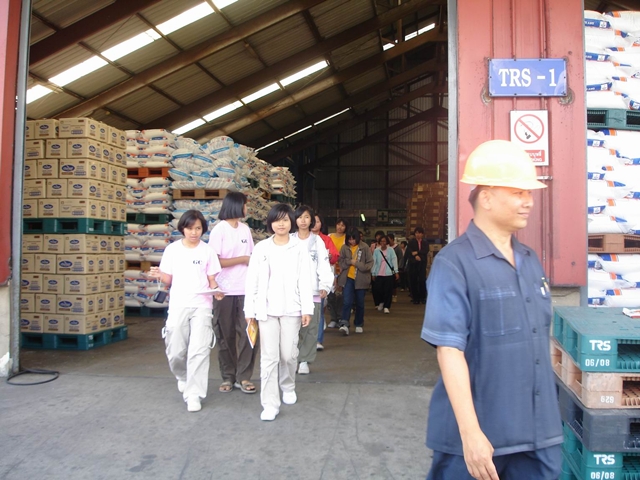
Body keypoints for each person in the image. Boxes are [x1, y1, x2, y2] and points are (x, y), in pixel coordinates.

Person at [421, 140, 562, 480]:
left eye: (529, 193)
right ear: (485, 198)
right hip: (479, 442)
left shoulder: (529, 260)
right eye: (517, 193)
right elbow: (449, 350)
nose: (528, 201)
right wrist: (470, 434)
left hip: (538, 435)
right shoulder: (454, 263)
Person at [148, 210, 224, 413]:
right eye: (190, 228)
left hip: (202, 305)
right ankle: (182, 376)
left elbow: (212, 279)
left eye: (198, 228)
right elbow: (168, 279)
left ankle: (194, 394)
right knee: (175, 350)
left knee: (199, 349)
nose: (194, 232)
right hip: (179, 304)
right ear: (182, 228)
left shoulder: (207, 251)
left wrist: (217, 291)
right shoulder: (172, 250)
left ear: (203, 229)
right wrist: (158, 274)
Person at [244, 203, 314, 421]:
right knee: (269, 357)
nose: (281, 224)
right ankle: (269, 403)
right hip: (266, 311)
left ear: (291, 222)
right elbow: (252, 281)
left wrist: (307, 308)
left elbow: (305, 280)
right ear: (270, 223)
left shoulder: (299, 248)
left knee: (288, 355)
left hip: (292, 309)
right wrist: (249, 310)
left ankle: (288, 385)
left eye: (284, 220)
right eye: (276, 220)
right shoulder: (261, 248)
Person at [208, 192, 257, 394]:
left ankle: (244, 376)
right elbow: (215, 262)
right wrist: (242, 259)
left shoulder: (245, 229)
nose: (247, 208)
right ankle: (228, 376)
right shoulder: (219, 230)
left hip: (245, 290)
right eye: (245, 205)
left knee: (248, 333)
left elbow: (252, 257)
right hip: (224, 291)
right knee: (225, 334)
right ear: (236, 206)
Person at [292, 205, 333, 375]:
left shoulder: (318, 242)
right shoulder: (290, 239)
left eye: (307, 217)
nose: (303, 221)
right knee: (292, 328)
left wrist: (325, 285)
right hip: (292, 292)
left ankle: (304, 360)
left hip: (313, 291)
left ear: (312, 221)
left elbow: (324, 265)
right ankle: (292, 358)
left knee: (310, 328)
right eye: (300, 217)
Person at [337, 227, 373, 335]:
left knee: (360, 303)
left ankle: (359, 323)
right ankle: (344, 324)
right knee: (347, 301)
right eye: (349, 239)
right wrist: (350, 262)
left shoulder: (364, 247)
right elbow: (341, 262)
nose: (351, 241)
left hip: (361, 279)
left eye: (353, 239)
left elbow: (370, 263)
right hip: (347, 278)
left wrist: (356, 263)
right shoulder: (344, 248)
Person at [311, 214, 338, 351]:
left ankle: (318, 339)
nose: (315, 224)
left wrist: (329, 257)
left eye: (317, 221)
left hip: (319, 281)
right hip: (302, 282)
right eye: (313, 221)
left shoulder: (326, 239)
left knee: (319, 310)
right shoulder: (296, 239)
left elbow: (334, 257)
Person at [327, 218, 348, 328]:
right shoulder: (329, 237)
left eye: (343, 225)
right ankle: (333, 318)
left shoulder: (347, 238)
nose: (340, 227)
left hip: (342, 269)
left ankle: (340, 317)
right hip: (330, 267)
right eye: (338, 224)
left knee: (340, 294)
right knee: (330, 294)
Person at [371, 235, 399, 314]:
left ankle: (387, 306)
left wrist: (396, 272)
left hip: (388, 273)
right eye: (381, 241)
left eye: (384, 241)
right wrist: (373, 273)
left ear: (387, 242)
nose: (383, 243)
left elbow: (394, 260)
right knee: (378, 290)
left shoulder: (391, 250)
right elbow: (374, 262)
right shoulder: (376, 251)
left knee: (388, 291)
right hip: (379, 273)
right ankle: (381, 302)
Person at [407, 227, 428, 304]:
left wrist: (418, 253)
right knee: (413, 280)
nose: (418, 235)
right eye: (416, 233)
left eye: (419, 233)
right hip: (413, 263)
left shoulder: (425, 242)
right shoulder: (411, 242)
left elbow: (425, 251)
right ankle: (415, 298)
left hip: (422, 263)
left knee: (422, 280)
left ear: (422, 234)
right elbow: (410, 252)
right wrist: (415, 256)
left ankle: (423, 297)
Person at [388, 233, 403, 303]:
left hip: (395, 268)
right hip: (387, 268)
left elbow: (400, 258)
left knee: (394, 283)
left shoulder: (397, 248)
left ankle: (394, 295)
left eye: (388, 239)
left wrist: (399, 267)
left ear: (392, 239)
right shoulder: (387, 247)